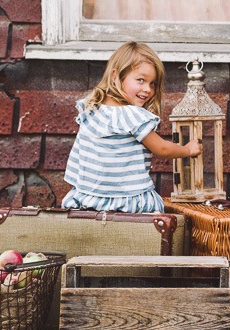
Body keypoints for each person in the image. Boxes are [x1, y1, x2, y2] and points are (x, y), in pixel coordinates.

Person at [62, 41, 202, 214]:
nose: (147, 89)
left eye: (152, 84)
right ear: (115, 76)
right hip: (127, 200)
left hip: (88, 198)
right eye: (140, 80)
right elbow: (162, 148)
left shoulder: (92, 109)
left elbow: (80, 157)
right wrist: (187, 150)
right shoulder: (132, 115)